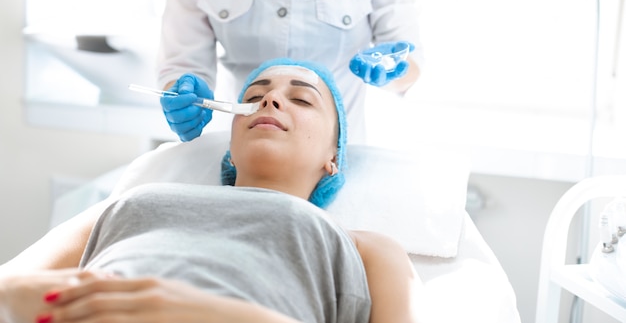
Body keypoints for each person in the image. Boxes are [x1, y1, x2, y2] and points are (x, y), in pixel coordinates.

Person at [0, 59, 420, 323]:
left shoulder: (365, 247)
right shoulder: (135, 200)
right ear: (230, 148)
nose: (271, 99)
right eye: (255, 95)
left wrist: (217, 314)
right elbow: (8, 284)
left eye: (302, 100)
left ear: (334, 157)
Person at [158, 0, 424, 144]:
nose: (273, 102)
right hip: (243, 145)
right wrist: (184, 91)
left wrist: (392, 68)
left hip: (339, 147)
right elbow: (183, 60)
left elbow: (408, 58)